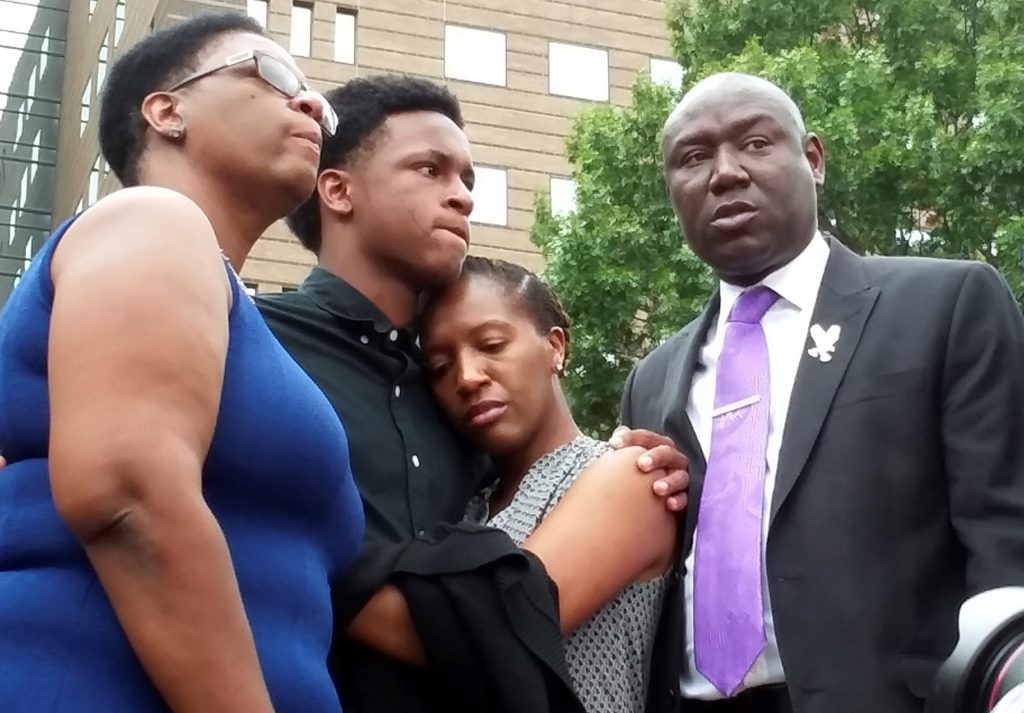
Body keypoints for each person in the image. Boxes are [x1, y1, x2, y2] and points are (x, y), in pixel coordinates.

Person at [256, 74, 689, 712]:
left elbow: (507, 612)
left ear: (556, 346)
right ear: (338, 189)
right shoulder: (256, 347)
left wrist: (296, 569)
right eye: (430, 170)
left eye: (467, 180)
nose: (460, 197)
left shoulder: (503, 440)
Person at [620, 71, 1024, 713]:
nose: (725, 173)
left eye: (754, 143)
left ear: (813, 159)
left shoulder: (945, 306)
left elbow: (1007, 534)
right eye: (694, 158)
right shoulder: (654, 378)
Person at [0, 13, 364, 713]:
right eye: (275, 75)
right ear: (167, 112)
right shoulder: (151, 220)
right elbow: (127, 490)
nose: (314, 104)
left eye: (318, 93)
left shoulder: (230, 316)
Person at [418, 255, 676, 712]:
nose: (467, 377)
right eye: (440, 367)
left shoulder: (630, 474)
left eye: (492, 345)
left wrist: (330, 584)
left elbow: (501, 623)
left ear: (555, 347)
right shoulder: (467, 507)